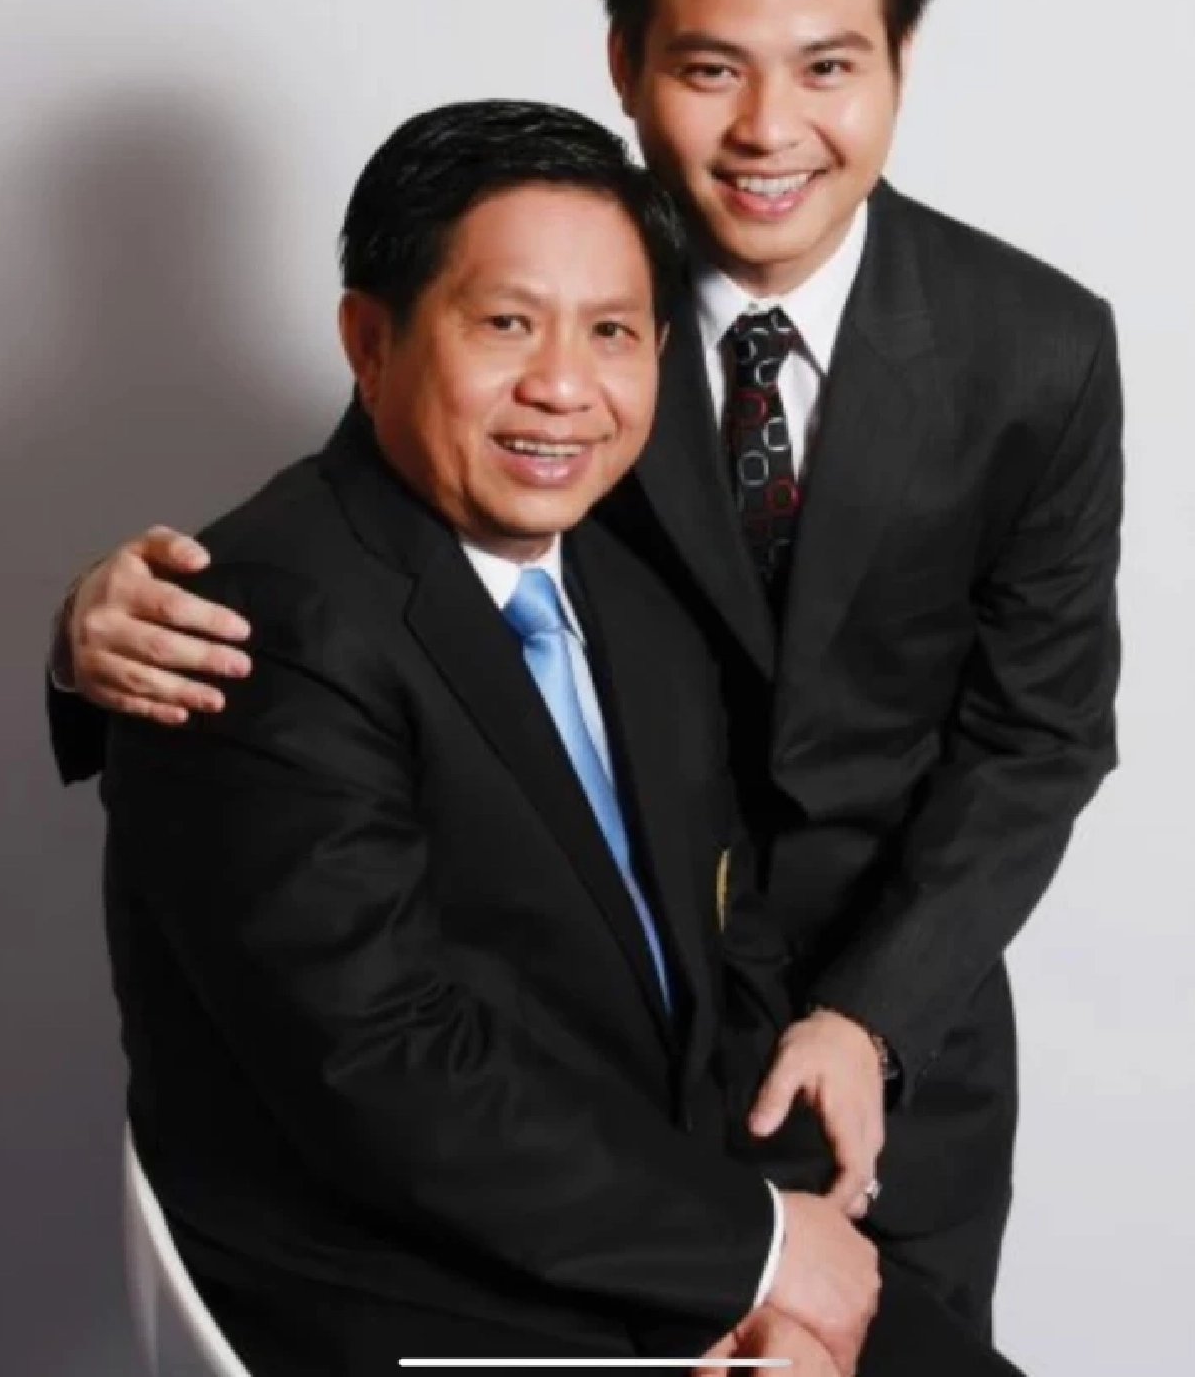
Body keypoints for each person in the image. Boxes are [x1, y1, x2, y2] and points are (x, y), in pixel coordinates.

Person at [49, 0, 1122, 1337]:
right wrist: (103, 628)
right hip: (567, 1083)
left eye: (827, 67)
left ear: (899, 64)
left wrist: (872, 1018)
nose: (769, 130)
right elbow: (356, 554)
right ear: (624, 63)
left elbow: (1040, 730)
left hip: (893, 1052)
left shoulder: (1038, 349)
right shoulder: (560, 280)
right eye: (710, 67)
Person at [86, 100, 1026, 1377]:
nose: (565, 387)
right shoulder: (257, 620)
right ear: (370, 340)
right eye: (507, 323)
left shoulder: (629, 595)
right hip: (413, 1293)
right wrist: (747, 1258)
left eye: (613, 332)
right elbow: (384, 1073)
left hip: (638, 1229)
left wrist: (775, 1264)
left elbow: (725, 948)